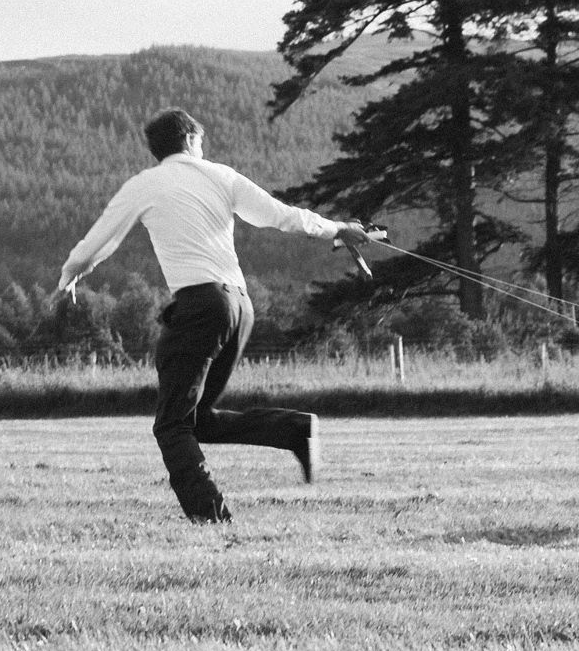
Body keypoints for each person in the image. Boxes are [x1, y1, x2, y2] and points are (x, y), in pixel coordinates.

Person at [57, 108, 372, 523]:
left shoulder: (144, 185)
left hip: (200, 307)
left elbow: (98, 240)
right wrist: (337, 228)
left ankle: (210, 517)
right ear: (190, 139)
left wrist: (68, 278)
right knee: (196, 420)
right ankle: (295, 431)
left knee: (171, 426)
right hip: (240, 306)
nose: (202, 149)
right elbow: (281, 215)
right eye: (201, 142)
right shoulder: (220, 175)